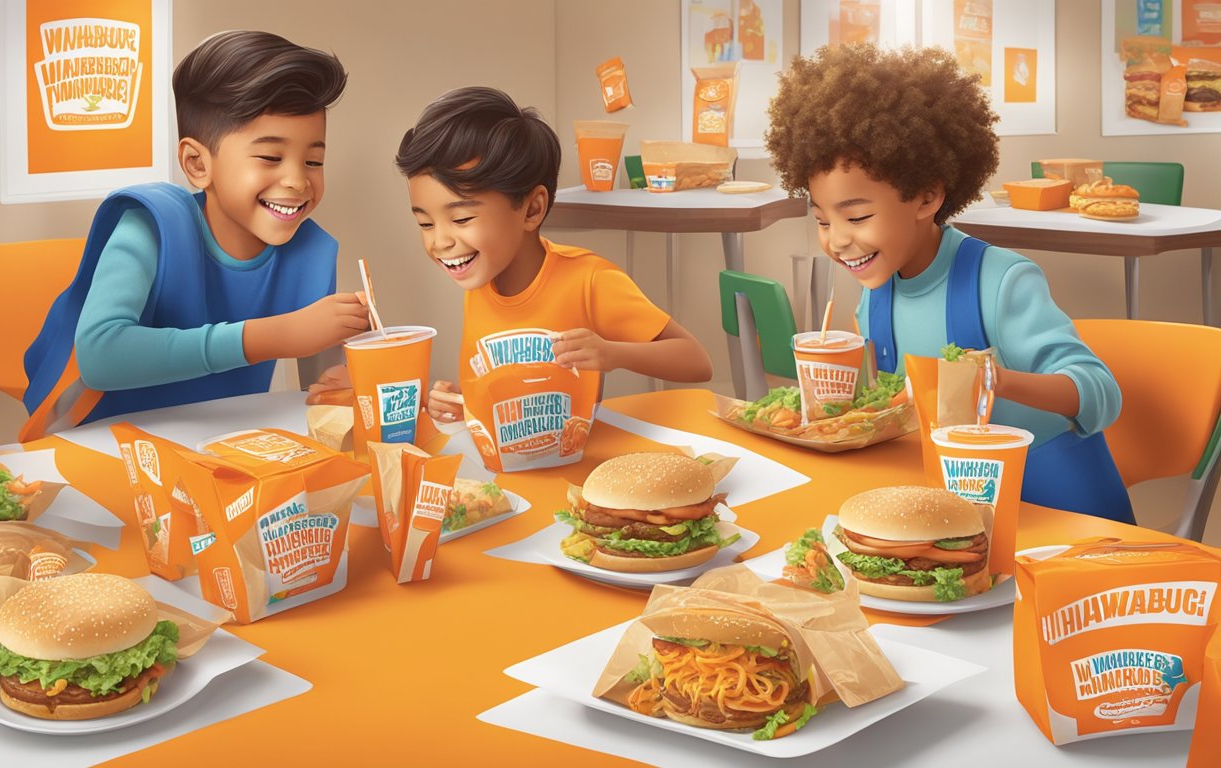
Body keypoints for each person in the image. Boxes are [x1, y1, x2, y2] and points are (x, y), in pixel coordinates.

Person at [764, 44, 1132, 523]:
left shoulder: (1001, 281)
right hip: (955, 508)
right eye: (823, 221)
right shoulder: (876, 294)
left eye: (857, 216)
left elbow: (1100, 393)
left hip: (1058, 508)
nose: (838, 241)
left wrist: (997, 381)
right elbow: (905, 405)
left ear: (927, 195)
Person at [21, 30, 368, 439]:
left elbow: (319, 390)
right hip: (100, 442)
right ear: (197, 163)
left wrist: (348, 379)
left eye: (313, 160)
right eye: (271, 157)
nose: (297, 180)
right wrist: (271, 336)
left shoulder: (309, 253)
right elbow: (100, 355)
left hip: (221, 448)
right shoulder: (153, 225)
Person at [394, 86, 713, 423]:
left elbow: (696, 360)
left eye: (461, 219)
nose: (440, 241)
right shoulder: (479, 282)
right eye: (425, 223)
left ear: (532, 209)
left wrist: (612, 353)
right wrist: (462, 402)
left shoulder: (589, 280)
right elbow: (504, 396)